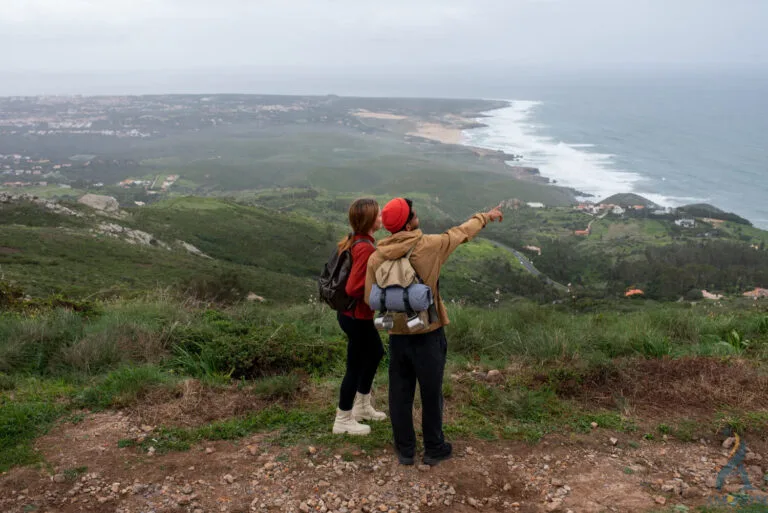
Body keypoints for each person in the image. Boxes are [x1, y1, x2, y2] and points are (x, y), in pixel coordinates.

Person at [364, 198, 504, 465]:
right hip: (429, 332)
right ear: (409, 222)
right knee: (431, 393)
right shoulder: (431, 246)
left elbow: (368, 297)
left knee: (400, 394)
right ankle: (434, 447)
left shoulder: (376, 256)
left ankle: (405, 450)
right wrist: (485, 216)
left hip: (397, 335)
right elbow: (462, 232)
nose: (417, 214)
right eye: (413, 213)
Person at [332, 198, 388, 436]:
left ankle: (361, 406)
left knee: (374, 353)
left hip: (350, 315)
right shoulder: (365, 247)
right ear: (368, 220)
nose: (381, 218)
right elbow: (354, 287)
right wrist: (380, 292)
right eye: (378, 215)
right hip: (357, 316)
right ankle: (343, 419)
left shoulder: (354, 240)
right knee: (356, 364)